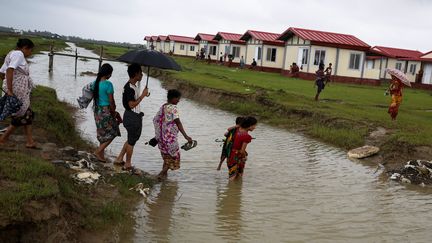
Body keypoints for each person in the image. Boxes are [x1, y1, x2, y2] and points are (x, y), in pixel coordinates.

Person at [0, 39, 36, 148]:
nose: (31, 53)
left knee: (27, 114)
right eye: (30, 50)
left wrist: (6, 83)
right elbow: (10, 70)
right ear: (25, 48)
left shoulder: (11, 54)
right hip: (16, 91)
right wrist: (10, 89)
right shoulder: (18, 54)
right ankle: (3, 140)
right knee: (21, 115)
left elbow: (2, 72)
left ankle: (30, 142)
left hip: (16, 89)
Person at [115, 64, 149, 170]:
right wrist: (143, 95)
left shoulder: (133, 86)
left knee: (131, 139)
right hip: (132, 116)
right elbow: (131, 105)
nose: (142, 75)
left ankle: (120, 158)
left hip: (132, 116)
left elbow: (134, 101)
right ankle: (128, 163)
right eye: (140, 73)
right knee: (131, 141)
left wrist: (143, 94)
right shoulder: (129, 87)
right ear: (135, 74)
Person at [153, 89, 192, 180]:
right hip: (169, 138)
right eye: (178, 98)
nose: (178, 100)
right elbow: (178, 123)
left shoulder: (163, 107)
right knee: (173, 156)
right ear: (173, 98)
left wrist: (158, 134)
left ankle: (164, 178)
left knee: (166, 157)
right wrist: (186, 136)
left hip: (161, 138)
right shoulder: (173, 108)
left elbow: (156, 120)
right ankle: (160, 174)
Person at [92, 63, 120, 162]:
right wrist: (114, 110)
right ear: (107, 73)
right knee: (113, 132)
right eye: (110, 73)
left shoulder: (94, 83)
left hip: (97, 110)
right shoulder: (108, 84)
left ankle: (101, 157)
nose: (111, 75)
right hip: (106, 110)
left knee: (102, 134)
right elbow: (111, 101)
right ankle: (98, 151)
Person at [226, 116, 257, 180]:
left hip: (230, 155)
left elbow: (228, 130)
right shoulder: (247, 136)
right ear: (250, 125)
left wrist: (238, 125)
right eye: (254, 125)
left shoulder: (236, 130)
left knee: (232, 175)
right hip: (237, 157)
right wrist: (245, 156)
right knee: (237, 177)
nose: (255, 127)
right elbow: (242, 151)